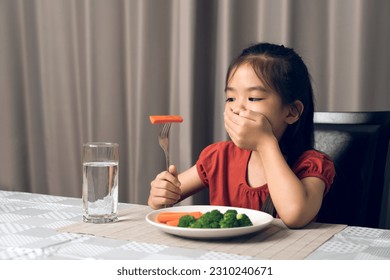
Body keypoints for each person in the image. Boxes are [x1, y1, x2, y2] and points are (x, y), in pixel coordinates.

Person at [148, 42, 335, 228]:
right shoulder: (219, 157)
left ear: (291, 112)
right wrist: (160, 194)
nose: (237, 108)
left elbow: (295, 215)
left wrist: (265, 143)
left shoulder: (312, 164)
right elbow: (164, 199)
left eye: (253, 98)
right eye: (231, 98)